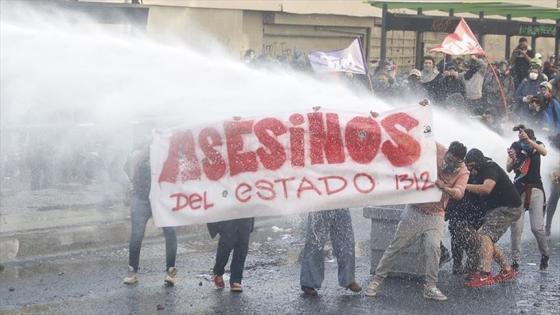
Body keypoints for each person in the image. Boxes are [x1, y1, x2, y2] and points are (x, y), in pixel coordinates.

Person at [366, 141, 469, 301]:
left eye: (455, 162)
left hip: (436, 214)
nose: (449, 164)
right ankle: (376, 281)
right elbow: (418, 136)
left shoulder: (463, 171)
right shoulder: (437, 148)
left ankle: (430, 286)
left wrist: (445, 188)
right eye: (449, 159)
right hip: (415, 209)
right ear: (447, 152)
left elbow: (459, 193)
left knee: (434, 248)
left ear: (461, 161)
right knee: (396, 246)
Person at [463, 148, 522, 287]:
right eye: (468, 165)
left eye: (471, 166)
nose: (470, 169)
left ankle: (485, 275)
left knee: (484, 235)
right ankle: (507, 270)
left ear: (478, 162)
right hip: (497, 208)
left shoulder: (490, 168)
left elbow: (486, 189)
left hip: (508, 207)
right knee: (486, 239)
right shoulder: (479, 170)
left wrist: (463, 186)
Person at [123, 146, 178, 286]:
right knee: (137, 234)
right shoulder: (141, 159)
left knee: (170, 232)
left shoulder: (169, 157)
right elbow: (129, 171)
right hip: (142, 199)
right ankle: (132, 271)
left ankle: (170, 271)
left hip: (161, 200)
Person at [507, 126, 550, 271]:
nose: (519, 136)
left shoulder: (537, 144)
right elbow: (508, 167)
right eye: (519, 134)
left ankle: (545, 255)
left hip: (535, 188)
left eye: (522, 134)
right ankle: (515, 262)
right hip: (518, 189)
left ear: (529, 136)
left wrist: (529, 141)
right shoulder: (515, 146)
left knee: (537, 228)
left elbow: (544, 152)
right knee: (516, 228)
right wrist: (513, 160)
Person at [300, 209, 362, 296]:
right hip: (321, 201)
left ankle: (348, 279)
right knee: (315, 241)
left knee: (346, 241)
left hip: (340, 200)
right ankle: (309, 283)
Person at [445, 172, 487, 274]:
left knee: (465, 241)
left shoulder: (473, 182)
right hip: (459, 217)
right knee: (459, 239)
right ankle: (464, 267)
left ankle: (467, 268)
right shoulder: (460, 180)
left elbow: (481, 202)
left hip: (468, 217)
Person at [208, 218, 254, 292]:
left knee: (242, 249)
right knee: (225, 247)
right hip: (229, 216)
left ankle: (236, 280)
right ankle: (218, 272)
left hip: (245, 215)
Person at [545, 133, 560, 236]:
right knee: (554, 197)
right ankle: (547, 226)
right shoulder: (553, 147)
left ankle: (547, 226)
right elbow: (549, 162)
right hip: (555, 174)